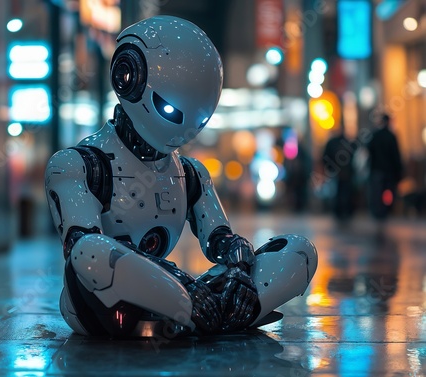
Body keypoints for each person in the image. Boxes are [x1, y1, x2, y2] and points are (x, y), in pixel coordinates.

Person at [44, 16, 317, 338]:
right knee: (91, 253)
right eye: (170, 109)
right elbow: (83, 247)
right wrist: (179, 282)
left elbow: (219, 238)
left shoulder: (190, 173)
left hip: (172, 291)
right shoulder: (78, 165)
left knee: (298, 251)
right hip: (101, 304)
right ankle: (205, 313)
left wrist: (239, 265)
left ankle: (203, 312)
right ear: (127, 77)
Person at [366, 113, 403, 220]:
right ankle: (386, 210)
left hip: (377, 169)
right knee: (388, 191)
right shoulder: (391, 136)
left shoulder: (375, 135)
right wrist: (399, 170)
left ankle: (378, 211)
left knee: (377, 191)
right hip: (388, 170)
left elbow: (370, 152)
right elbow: (396, 155)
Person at [322, 124, 355, 221]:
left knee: (338, 193)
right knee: (343, 193)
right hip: (344, 173)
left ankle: (340, 212)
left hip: (337, 172)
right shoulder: (347, 142)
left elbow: (325, 156)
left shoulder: (334, 142)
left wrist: (329, 168)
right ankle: (344, 212)